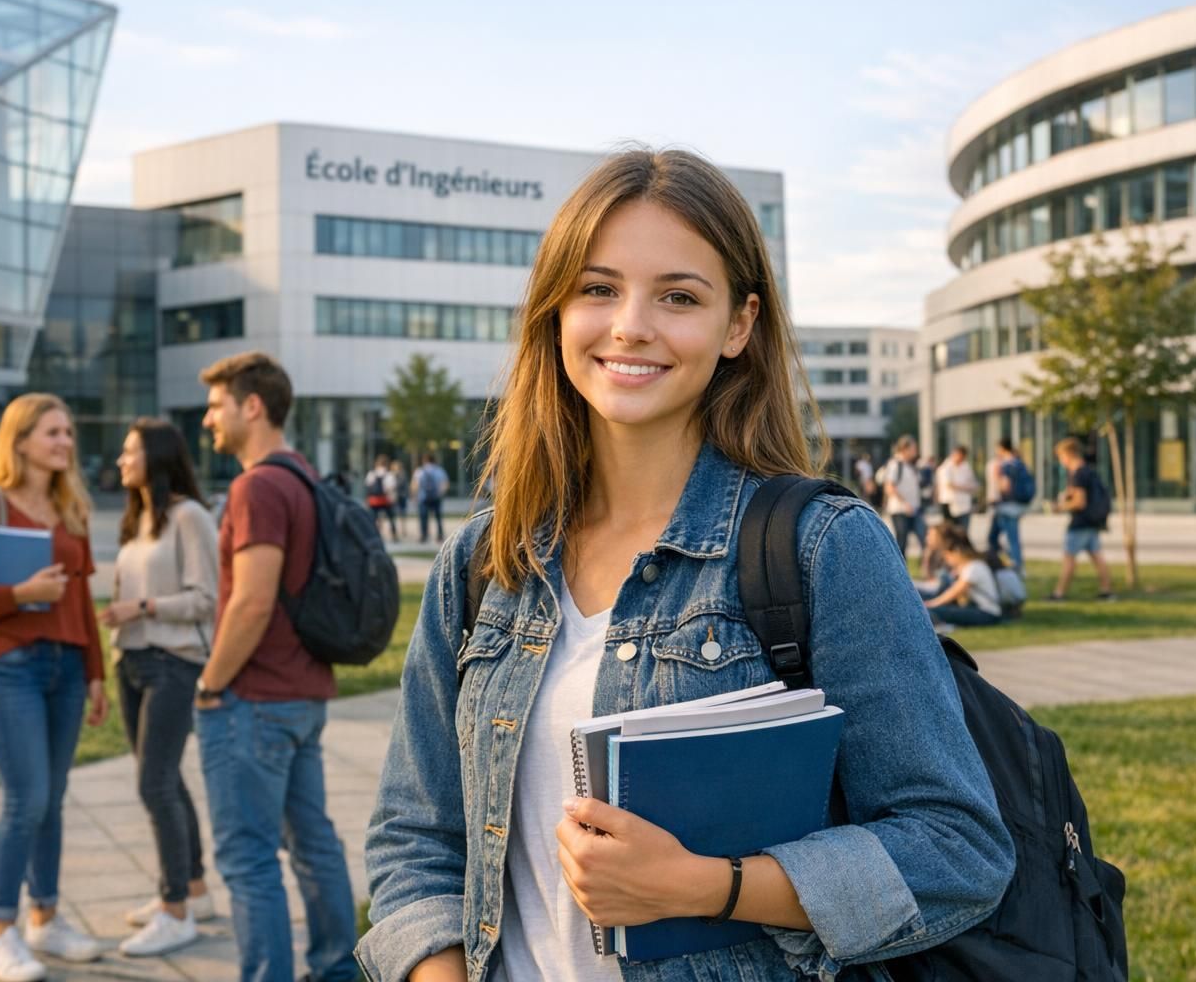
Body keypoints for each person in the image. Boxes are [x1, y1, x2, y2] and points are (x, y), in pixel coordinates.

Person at [358, 149, 1012, 982]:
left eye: (678, 296)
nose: (631, 324)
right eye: (598, 289)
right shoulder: (490, 558)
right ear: (556, 311)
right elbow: (415, 836)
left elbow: (956, 849)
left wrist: (704, 886)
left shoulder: (822, 547)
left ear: (738, 325)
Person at [195, 353, 359, 982]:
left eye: (216, 405)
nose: (209, 419)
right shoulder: (304, 478)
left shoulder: (257, 485)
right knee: (314, 846)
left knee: (249, 859)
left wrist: (211, 684)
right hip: (303, 693)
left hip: (254, 700)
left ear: (251, 405)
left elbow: (253, 599)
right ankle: (336, 970)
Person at [0, 394, 107, 980]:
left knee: (54, 798)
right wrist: (20, 596)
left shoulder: (71, 508)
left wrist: (97, 672)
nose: (65, 442)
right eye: (53, 432)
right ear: (19, 440)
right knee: (26, 801)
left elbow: (84, 604)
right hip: (14, 665)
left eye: (69, 432)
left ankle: (45, 918)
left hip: (68, 668)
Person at [100, 418, 219, 956]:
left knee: (154, 783)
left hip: (173, 661)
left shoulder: (189, 517)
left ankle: (175, 910)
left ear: (157, 456)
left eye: (130, 451)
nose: (121, 460)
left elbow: (205, 598)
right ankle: (193, 890)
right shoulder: (138, 520)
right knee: (164, 778)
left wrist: (143, 607)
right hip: (131, 659)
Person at [1051, 437, 1117, 601]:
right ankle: (1106, 590)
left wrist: (1060, 507)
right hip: (1092, 521)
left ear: (1068, 454)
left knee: (1069, 557)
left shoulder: (1079, 474)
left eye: (1061, 457)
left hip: (1080, 522)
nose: (1061, 461)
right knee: (1097, 556)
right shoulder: (1088, 470)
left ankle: (1059, 593)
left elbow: (1080, 502)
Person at [921, 532, 1004, 628]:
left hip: (987, 613)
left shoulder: (974, 567)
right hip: (981, 610)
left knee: (935, 611)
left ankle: (940, 626)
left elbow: (955, 591)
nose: (947, 561)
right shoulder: (971, 566)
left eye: (948, 556)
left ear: (957, 552)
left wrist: (932, 604)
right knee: (940, 610)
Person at [986, 438, 1029, 573]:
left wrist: (996, 478)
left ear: (1001, 448)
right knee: (997, 537)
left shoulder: (1006, 465)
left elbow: (1005, 487)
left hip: (1006, 507)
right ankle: (999, 563)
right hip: (1016, 506)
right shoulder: (1019, 463)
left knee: (1009, 538)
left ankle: (1016, 566)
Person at [881, 435, 925, 557]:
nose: (916, 452)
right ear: (905, 449)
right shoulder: (895, 464)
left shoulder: (911, 465)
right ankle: (901, 571)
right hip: (900, 509)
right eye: (913, 449)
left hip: (914, 509)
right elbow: (889, 487)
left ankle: (927, 567)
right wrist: (905, 503)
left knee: (924, 536)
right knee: (902, 541)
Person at [936, 445, 979, 529]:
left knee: (963, 531)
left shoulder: (966, 466)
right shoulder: (945, 467)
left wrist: (967, 487)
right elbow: (949, 485)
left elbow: (973, 483)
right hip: (950, 503)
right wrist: (966, 488)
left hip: (964, 504)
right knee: (951, 531)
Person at [414, 452, 450, 543]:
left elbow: (415, 485)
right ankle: (440, 535)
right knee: (438, 517)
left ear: (424, 461)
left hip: (423, 498)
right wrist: (440, 493)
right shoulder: (439, 470)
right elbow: (445, 484)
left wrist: (414, 496)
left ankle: (424, 535)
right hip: (436, 497)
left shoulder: (420, 471)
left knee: (423, 517)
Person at [365, 454, 398, 541]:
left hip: (374, 500)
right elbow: (391, 488)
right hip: (385, 500)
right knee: (391, 518)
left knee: (372, 518)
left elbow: (368, 486)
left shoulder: (371, 473)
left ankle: (371, 535)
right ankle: (394, 535)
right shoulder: (389, 474)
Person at [390, 458, 410, 537]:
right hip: (394, 497)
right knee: (393, 514)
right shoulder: (391, 475)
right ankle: (394, 530)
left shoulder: (403, 475)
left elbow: (402, 486)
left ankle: (403, 529)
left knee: (402, 514)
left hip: (401, 497)